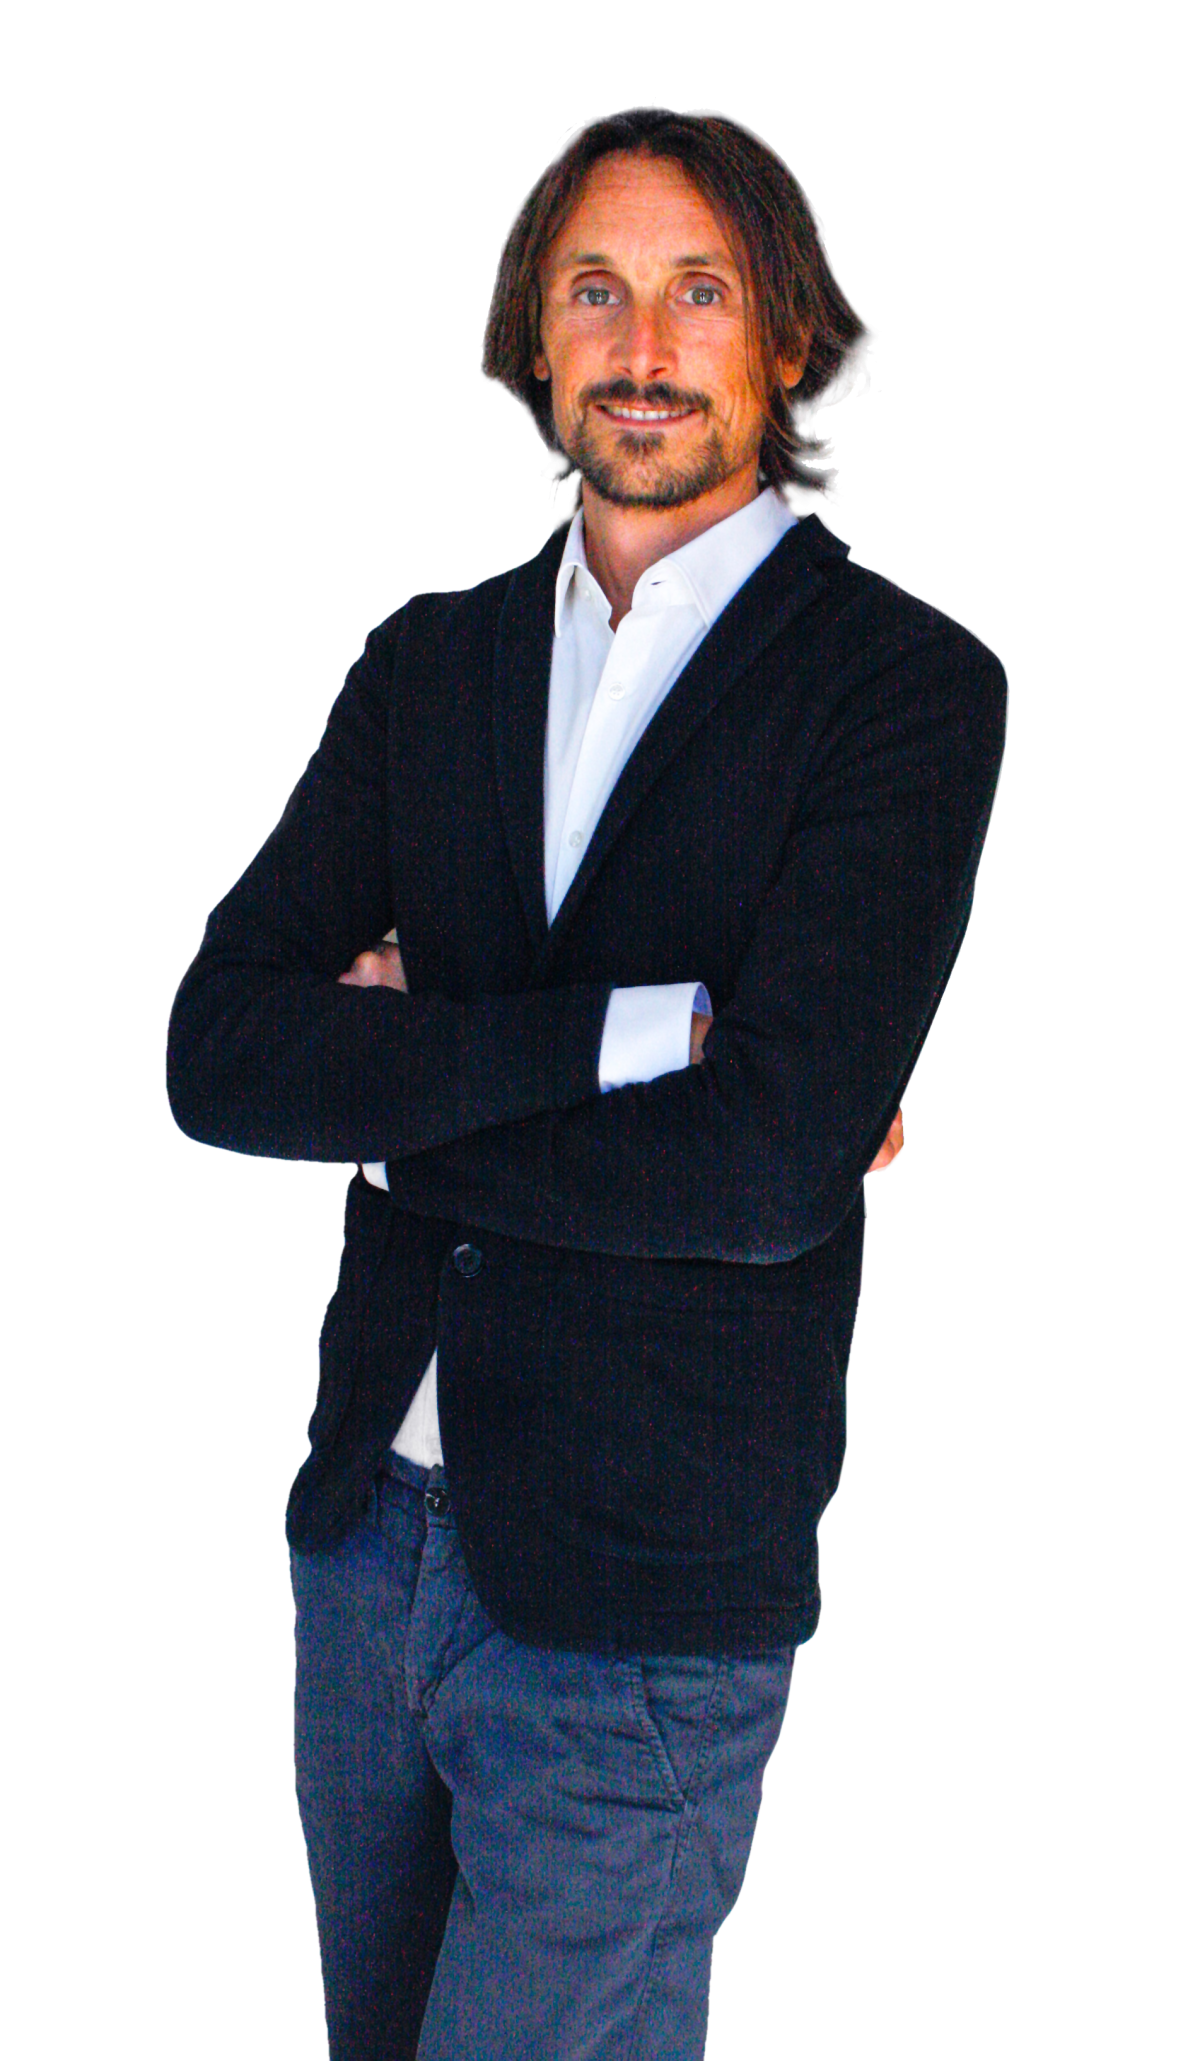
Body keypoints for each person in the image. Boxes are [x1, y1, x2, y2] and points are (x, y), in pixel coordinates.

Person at [166, 103, 1008, 2061]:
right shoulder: (427, 663)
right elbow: (218, 1053)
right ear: (532, 341)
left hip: (639, 1591)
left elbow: (770, 1171)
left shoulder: (904, 686)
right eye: (595, 292)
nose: (644, 345)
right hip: (366, 1548)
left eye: (700, 293)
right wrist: (618, 1043)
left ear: (785, 335)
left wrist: (391, 1116)